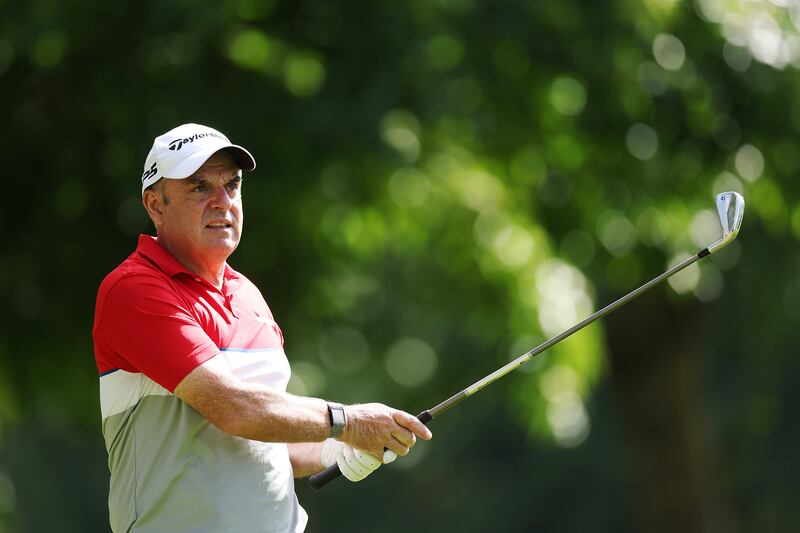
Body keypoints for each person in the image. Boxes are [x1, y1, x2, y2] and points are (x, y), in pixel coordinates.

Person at [92, 123, 432, 532]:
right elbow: (234, 409)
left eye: (231, 186)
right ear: (155, 205)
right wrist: (348, 422)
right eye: (199, 188)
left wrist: (337, 450)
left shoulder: (249, 295)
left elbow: (265, 433)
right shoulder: (133, 289)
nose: (222, 202)